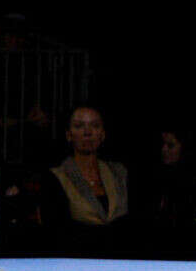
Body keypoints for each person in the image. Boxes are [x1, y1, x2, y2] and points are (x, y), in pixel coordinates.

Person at [42, 105, 131, 253]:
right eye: (79, 126)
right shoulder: (58, 176)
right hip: (77, 258)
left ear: (102, 134)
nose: (87, 132)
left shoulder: (118, 172)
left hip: (119, 257)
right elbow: (56, 230)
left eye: (94, 126)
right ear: (69, 135)